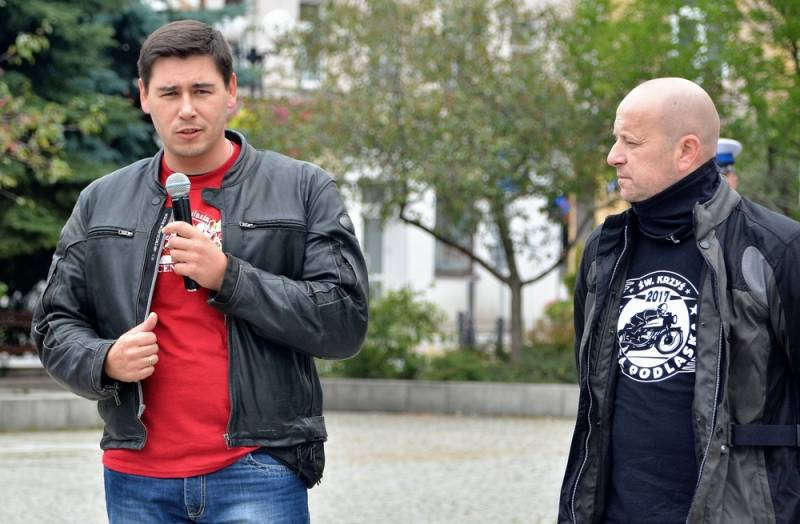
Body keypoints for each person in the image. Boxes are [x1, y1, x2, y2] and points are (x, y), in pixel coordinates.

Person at [31, 20, 368, 523]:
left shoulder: (302, 189)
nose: (186, 108)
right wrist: (105, 359)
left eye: (201, 90)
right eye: (169, 93)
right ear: (144, 97)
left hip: (258, 467)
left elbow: (344, 320)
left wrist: (231, 277)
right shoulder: (102, 201)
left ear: (231, 92)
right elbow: (55, 324)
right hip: (137, 477)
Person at [558, 77, 800, 523]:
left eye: (631, 142)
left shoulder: (777, 249)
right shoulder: (604, 249)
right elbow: (592, 385)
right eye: (615, 139)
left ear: (686, 150)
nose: (613, 156)